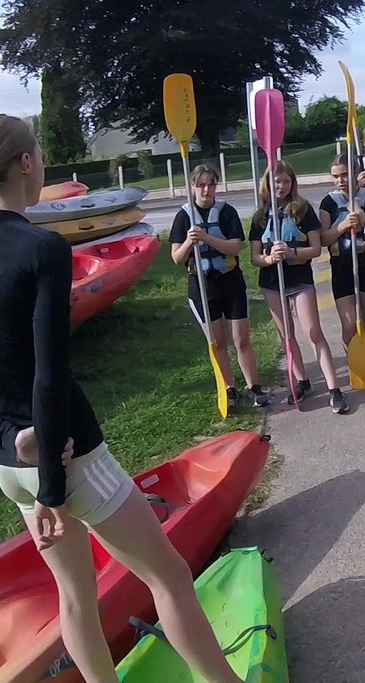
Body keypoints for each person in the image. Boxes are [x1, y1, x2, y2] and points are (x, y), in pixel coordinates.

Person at [0, 113, 246, 683]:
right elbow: (50, 374)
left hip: (12, 463)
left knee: (75, 597)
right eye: (41, 154)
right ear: (27, 163)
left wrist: (12, 443)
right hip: (67, 457)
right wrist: (53, 488)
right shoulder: (41, 247)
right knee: (169, 576)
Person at [249, 160, 350, 413]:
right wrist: (269, 259)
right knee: (287, 335)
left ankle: (334, 390)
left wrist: (292, 251)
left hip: (300, 280)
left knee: (313, 332)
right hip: (272, 283)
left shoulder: (303, 210)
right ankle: (302, 381)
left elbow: (315, 249)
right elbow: (255, 257)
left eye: (286, 181)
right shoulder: (261, 216)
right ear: (268, 183)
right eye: (276, 181)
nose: (281, 186)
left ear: (292, 183)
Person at [168, 164, 271, 408]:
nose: (206, 189)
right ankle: (228, 389)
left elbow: (236, 247)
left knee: (241, 339)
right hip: (203, 287)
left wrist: (206, 237)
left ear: (216, 185)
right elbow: (177, 258)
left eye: (210, 184)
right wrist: (189, 242)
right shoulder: (184, 216)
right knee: (217, 342)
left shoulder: (226, 213)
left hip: (230, 282)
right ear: (193, 187)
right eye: (201, 185)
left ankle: (254, 387)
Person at [317, 153, 365, 351]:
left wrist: (360, 213)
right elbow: (324, 239)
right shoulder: (328, 203)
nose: (340, 180)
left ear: (354, 173)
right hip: (341, 265)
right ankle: (353, 359)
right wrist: (342, 226)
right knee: (350, 322)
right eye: (335, 176)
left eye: (344, 175)